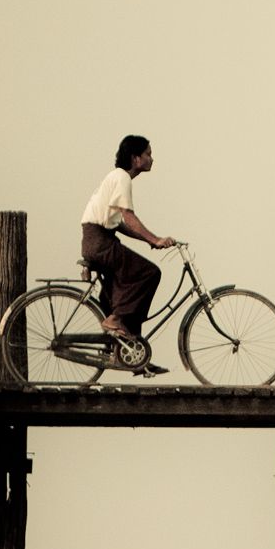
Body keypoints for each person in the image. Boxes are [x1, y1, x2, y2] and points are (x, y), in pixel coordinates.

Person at [80, 134, 173, 376]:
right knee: (149, 273)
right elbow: (128, 216)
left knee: (124, 287)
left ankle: (132, 353)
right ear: (135, 158)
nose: (151, 158)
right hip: (99, 241)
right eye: (148, 154)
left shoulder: (115, 178)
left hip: (99, 239)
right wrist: (155, 239)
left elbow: (120, 224)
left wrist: (150, 241)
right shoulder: (122, 177)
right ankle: (116, 320)